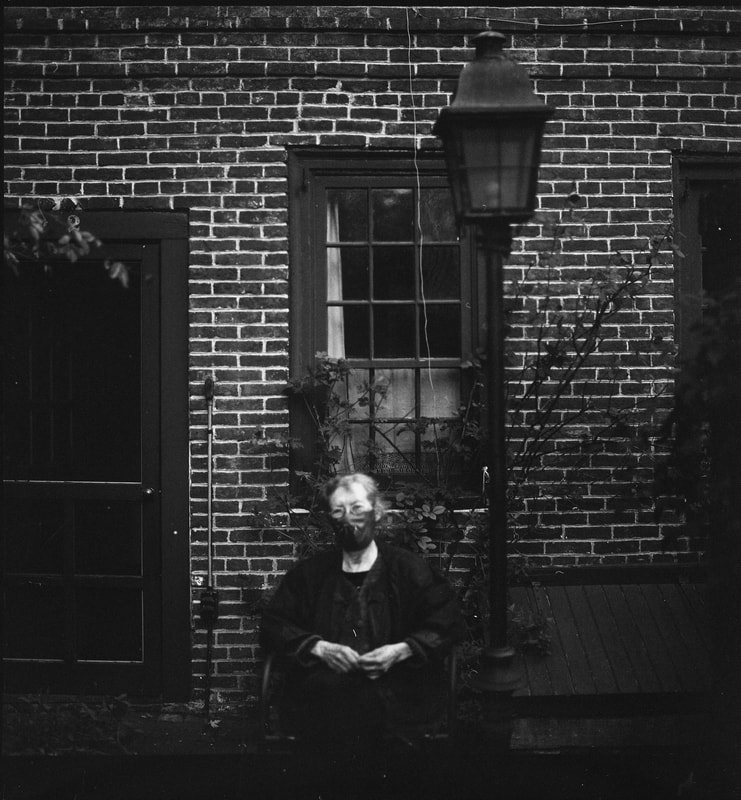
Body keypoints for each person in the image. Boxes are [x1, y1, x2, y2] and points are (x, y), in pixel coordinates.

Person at [259, 472, 466, 751]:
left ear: (376, 512)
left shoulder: (409, 570)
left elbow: (447, 621)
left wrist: (401, 650)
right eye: (338, 511)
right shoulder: (309, 575)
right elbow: (275, 624)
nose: (348, 518)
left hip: (399, 689)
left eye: (357, 508)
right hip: (324, 696)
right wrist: (320, 649)